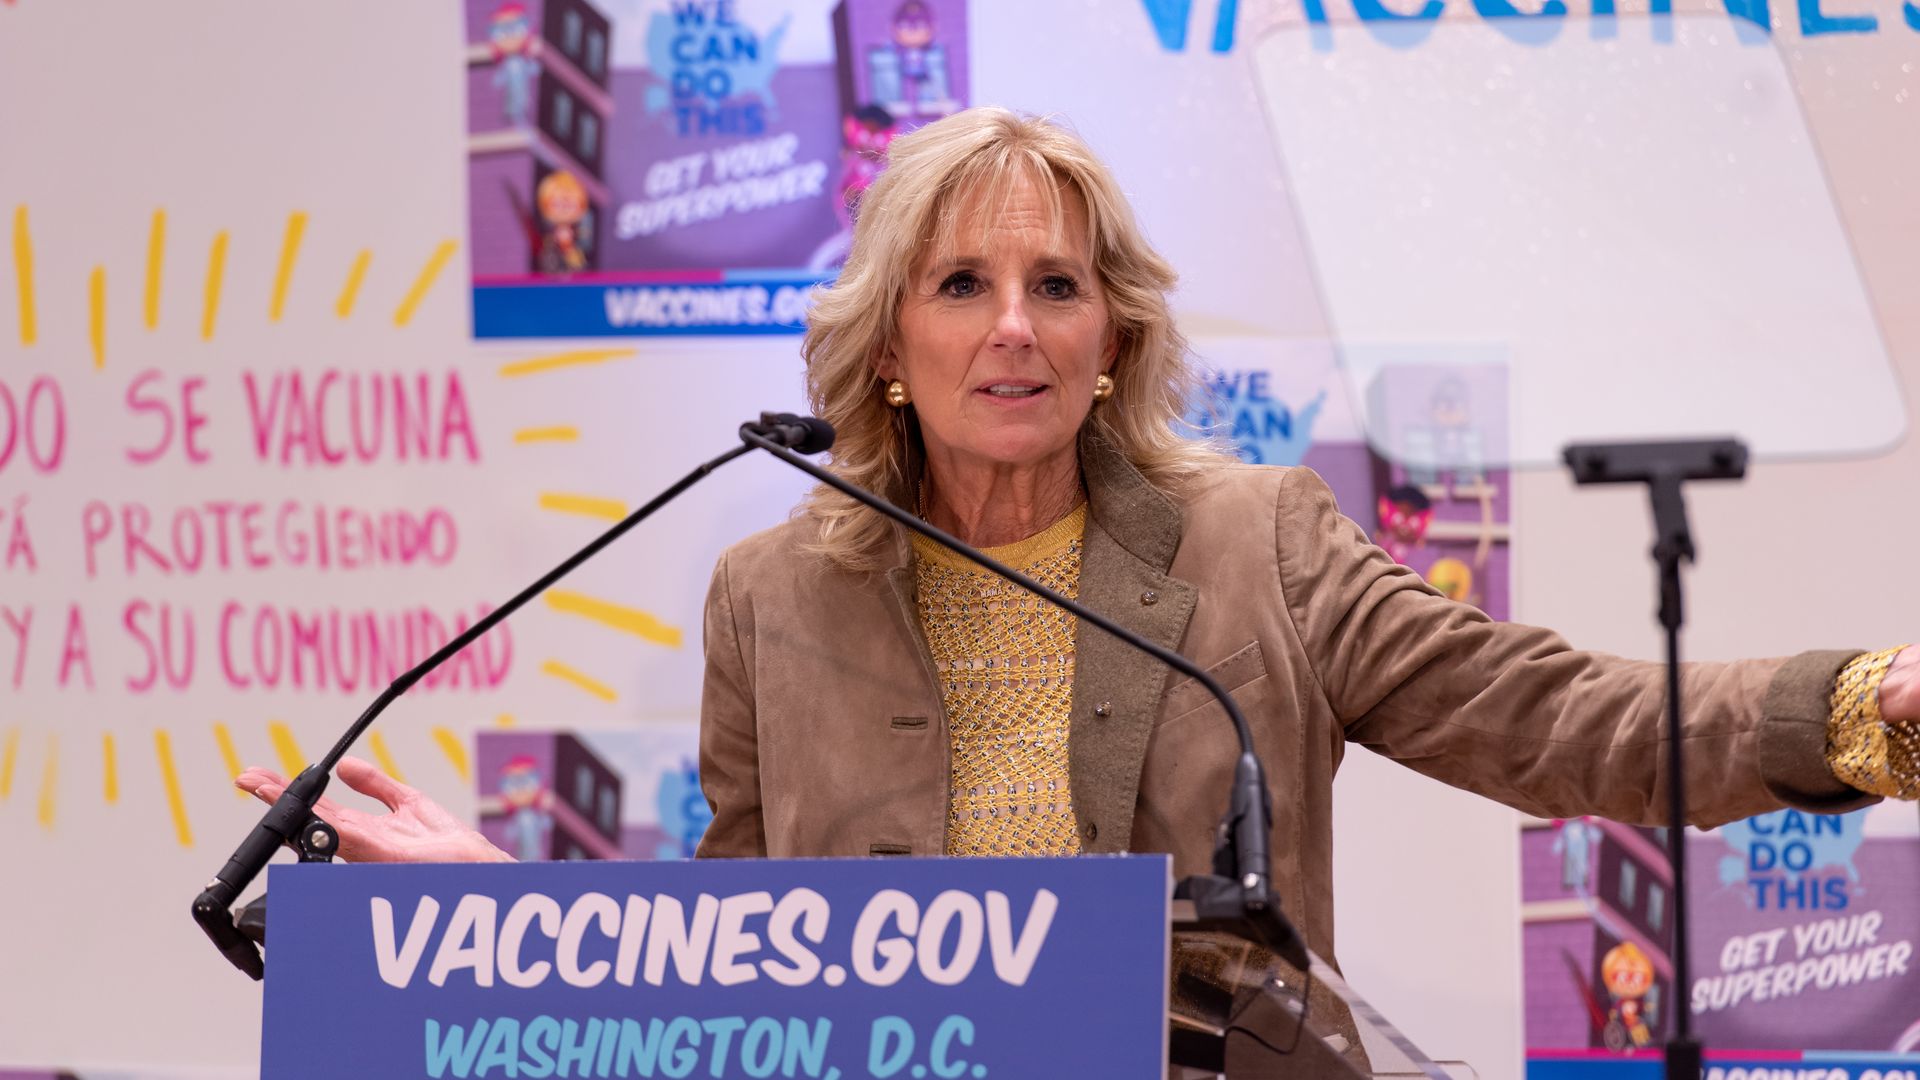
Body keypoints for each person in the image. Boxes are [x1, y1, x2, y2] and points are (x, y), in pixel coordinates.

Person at [235, 106, 1918, 1055]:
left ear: (1117, 337)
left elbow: (1565, 722)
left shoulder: (1259, 543)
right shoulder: (771, 591)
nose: (1015, 328)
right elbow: (735, 963)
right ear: (890, 342)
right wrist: (485, 908)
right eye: (961, 284)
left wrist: (1868, 709)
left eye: (1059, 284)